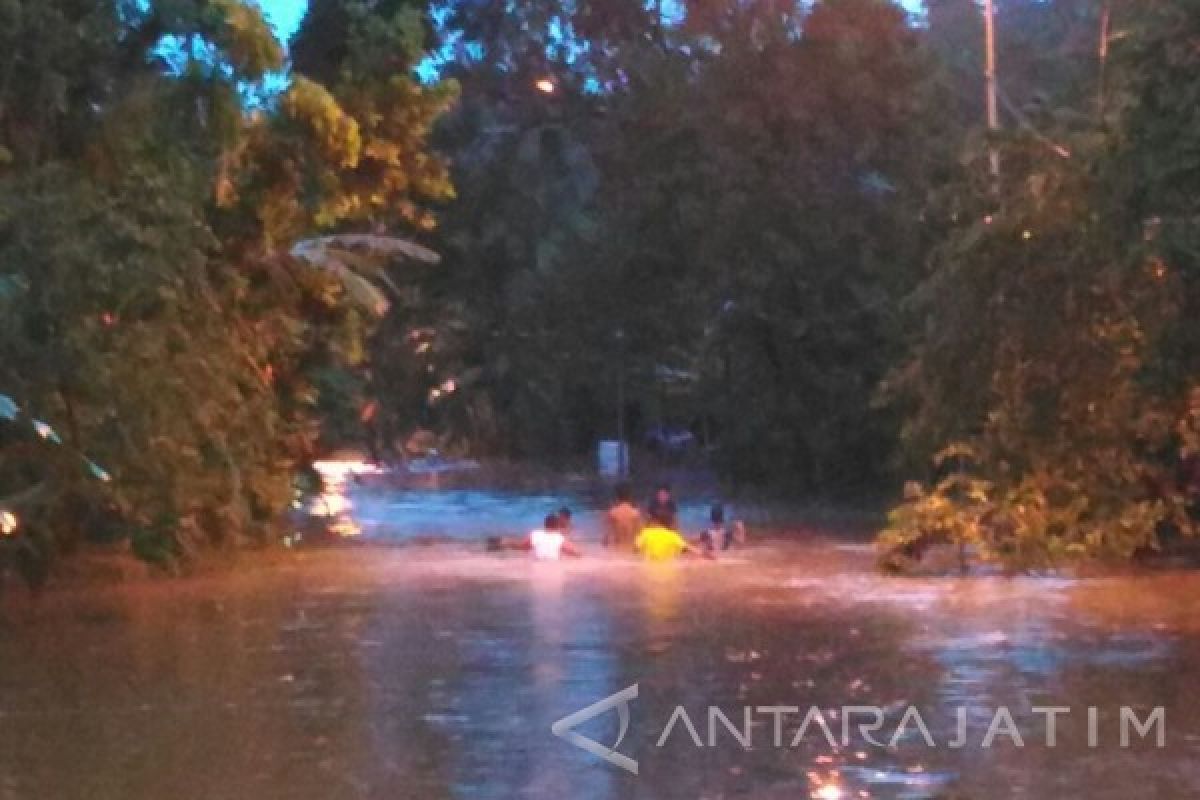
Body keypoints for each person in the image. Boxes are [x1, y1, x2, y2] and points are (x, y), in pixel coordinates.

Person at [636, 512, 706, 561]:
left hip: (648, 569)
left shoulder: (646, 533)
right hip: (669, 571)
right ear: (669, 523)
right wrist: (706, 555)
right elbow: (690, 549)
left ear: (656, 522)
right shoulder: (673, 536)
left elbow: (636, 549)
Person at [604, 484, 643, 549]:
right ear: (630, 496)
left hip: (617, 547)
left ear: (617, 496)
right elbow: (640, 532)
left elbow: (606, 536)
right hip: (631, 546)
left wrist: (605, 541)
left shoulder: (613, 512)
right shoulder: (635, 513)